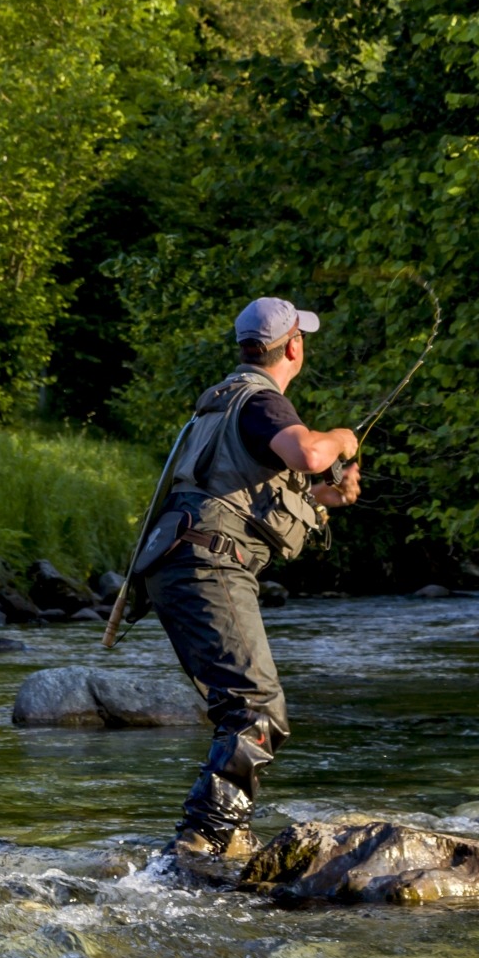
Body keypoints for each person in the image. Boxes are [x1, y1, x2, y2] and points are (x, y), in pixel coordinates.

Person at [136, 295, 361, 873]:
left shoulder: (217, 405)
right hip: (206, 565)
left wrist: (323, 500)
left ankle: (223, 834)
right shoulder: (262, 402)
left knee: (241, 708)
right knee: (258, 710)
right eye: (301, 338)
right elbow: (310, 452)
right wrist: (342, 438)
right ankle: (201, 840)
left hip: (178, 563)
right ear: (293, 346)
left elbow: (246, 491)